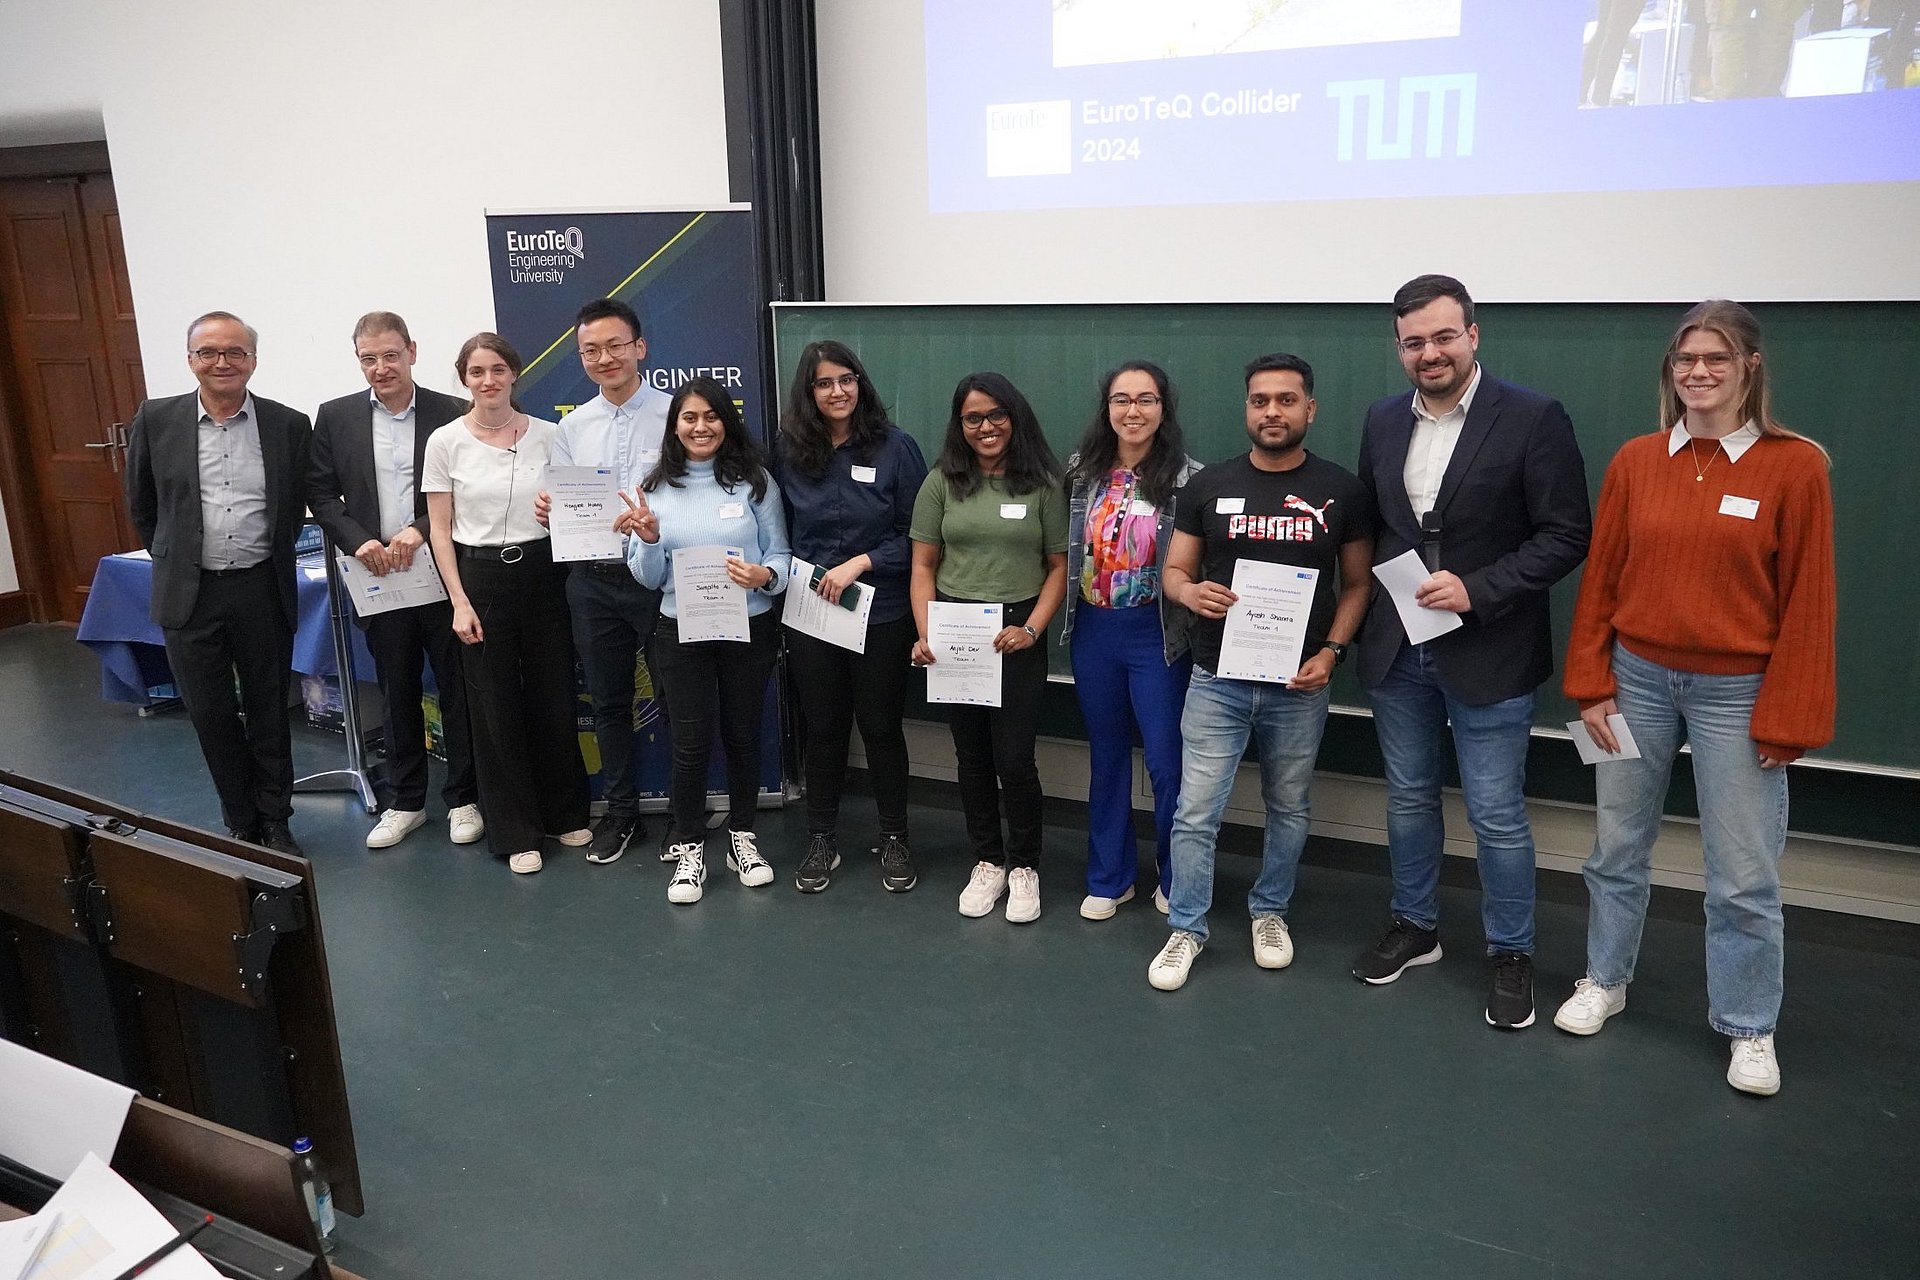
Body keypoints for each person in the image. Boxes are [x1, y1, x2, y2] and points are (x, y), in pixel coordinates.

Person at [1554, 300, 1835, 1097]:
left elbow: (1810, 599)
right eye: (1685, 360)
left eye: (1717, 357)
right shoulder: (1638, 460)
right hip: (1636, 681)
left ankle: (1750, 1025)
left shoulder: (1795, 465)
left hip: (1738, 695)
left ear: (1750, 366)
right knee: (1615, 847)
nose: (1699, 373)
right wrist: (1589, 684)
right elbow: (1602, 578)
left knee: (1743, 874)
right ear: (1669, 371)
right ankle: (1605, 979)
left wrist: (1795, 713)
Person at [1351, 274, 1591, 1030]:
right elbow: (1378, 525)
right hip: (1399, 651)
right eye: (1415, 342)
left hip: (1491, 648)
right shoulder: (1383, 420)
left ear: (1473, 335)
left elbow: (1566, 534)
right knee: (1410, 799)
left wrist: (1480, 589)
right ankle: (1415, 926)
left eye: (1444, 336)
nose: (1431, 353)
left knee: (1495, 814)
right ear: (1399, 349)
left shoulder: (1531, 417)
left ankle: (1509, 954)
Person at [1145, 354, 1373, 991]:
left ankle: (1269, 911)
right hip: (1216, 678)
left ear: (1309, 409)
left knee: (1289, 807)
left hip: (1299, 685)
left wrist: (1331, 653)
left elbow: (1356, 585)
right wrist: (1191, 596)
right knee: (1195, 812)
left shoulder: (1343, 490)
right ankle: (1186, 927)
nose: (1272, 411)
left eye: (1286, 400)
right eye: (1260, 400)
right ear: (1247, 408)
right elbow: (1174, 574)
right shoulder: (1208, 486)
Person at [123, 312, 312, 854]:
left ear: (253, 360)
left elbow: (292, 510)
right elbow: (143, 506)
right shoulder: (156, 420)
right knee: (210, 712)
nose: (222, 362)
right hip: (190, 593)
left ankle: (276, 818)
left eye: (235, 352)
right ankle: (240, 820)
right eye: (209, 352)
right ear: (190, 361)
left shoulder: (287, 424)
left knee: (270, 709)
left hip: (260, 588)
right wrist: (180, 556)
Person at [308, 311, 481, 850]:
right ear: (358, 360)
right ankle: (405, 802)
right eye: (368, 358)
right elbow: (319, 493)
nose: (381, 367)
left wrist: (419, 530)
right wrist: (359, 540)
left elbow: (471, 488)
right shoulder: (334, 417)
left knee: (457, 688)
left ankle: (464, 799)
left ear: (412, 350)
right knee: (396, 688)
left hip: (444, 571)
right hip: (376, 574)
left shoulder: (454, 412)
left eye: (390, 354)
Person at [422, 334, 590, 875]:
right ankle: (515, 830)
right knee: (494, 709)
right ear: (464, 379)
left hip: (545, 573)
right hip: (480, 576)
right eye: (476, 372)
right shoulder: (445, 442)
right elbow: (441, 531)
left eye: (497, 369)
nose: (488, 380)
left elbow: (576, 506)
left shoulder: (550, 435)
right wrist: (458, 602)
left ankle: (563, 813)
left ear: (515, 374)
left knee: (554, 695)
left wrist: (555, 513)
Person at [623, 376, 790, 905]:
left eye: (711, 416)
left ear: (727, 421)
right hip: (679, 631)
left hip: (750, 628)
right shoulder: (651, 488)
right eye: (690, 418)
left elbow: (780, 556)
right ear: (675, 426)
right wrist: (649, 541)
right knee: (691, 746)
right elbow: (646, 577)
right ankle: (691, 847)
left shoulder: (756, 482)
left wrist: (765, 577)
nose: (701, 427)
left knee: (743, 736)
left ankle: (743, 836)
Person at [909, 372, 1068, 924]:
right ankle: (988, 861)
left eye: (996, 414)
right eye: (972, 418)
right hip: (955, 630)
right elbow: (923, 566)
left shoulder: (1043, 483)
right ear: (960, 425)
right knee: (971, 757)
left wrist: (1032, 629)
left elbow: (1058, 569)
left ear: (1015, 417)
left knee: (1015, 759)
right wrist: (926, 633)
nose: (986, 427)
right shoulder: (940, 483)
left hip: (1017, 632)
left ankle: (1025, 867)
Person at [774, 341, 928, 894]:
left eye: (846, 379)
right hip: (811, 613)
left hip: (882, 612)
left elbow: (919, 537)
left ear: (860, 384)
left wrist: (861, 562)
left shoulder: (897, 447)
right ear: (808, 393)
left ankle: (894, 836)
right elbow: (772, 527)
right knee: (823, 729)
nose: (836, 391)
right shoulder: (788, 451)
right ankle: (822, 837)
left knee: (882, 727)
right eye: (823, 383)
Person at [1061, 361, 1201, 921]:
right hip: (1094, 630)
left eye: (1145, 400)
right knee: (1108, 757)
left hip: (1157, 635)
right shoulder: (1081, 471)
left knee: (1168, 762)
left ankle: (1174, 875)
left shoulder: (1190, 478)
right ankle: (1110, 877)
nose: (1133, 411)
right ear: (1107, 409)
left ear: (1163, 409)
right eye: (1121, 400)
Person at [535, 298, 672, 865]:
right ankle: (622, 815)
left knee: (678, 696)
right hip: (592, 580)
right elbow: (565, 504)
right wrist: (551, 511)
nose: (604, 358)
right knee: (610, 702)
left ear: (639, 347)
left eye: (615, 346)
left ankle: (685, 816)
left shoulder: (678, 415)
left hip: (662, 578)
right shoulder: (571, 426)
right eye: (591, 350)